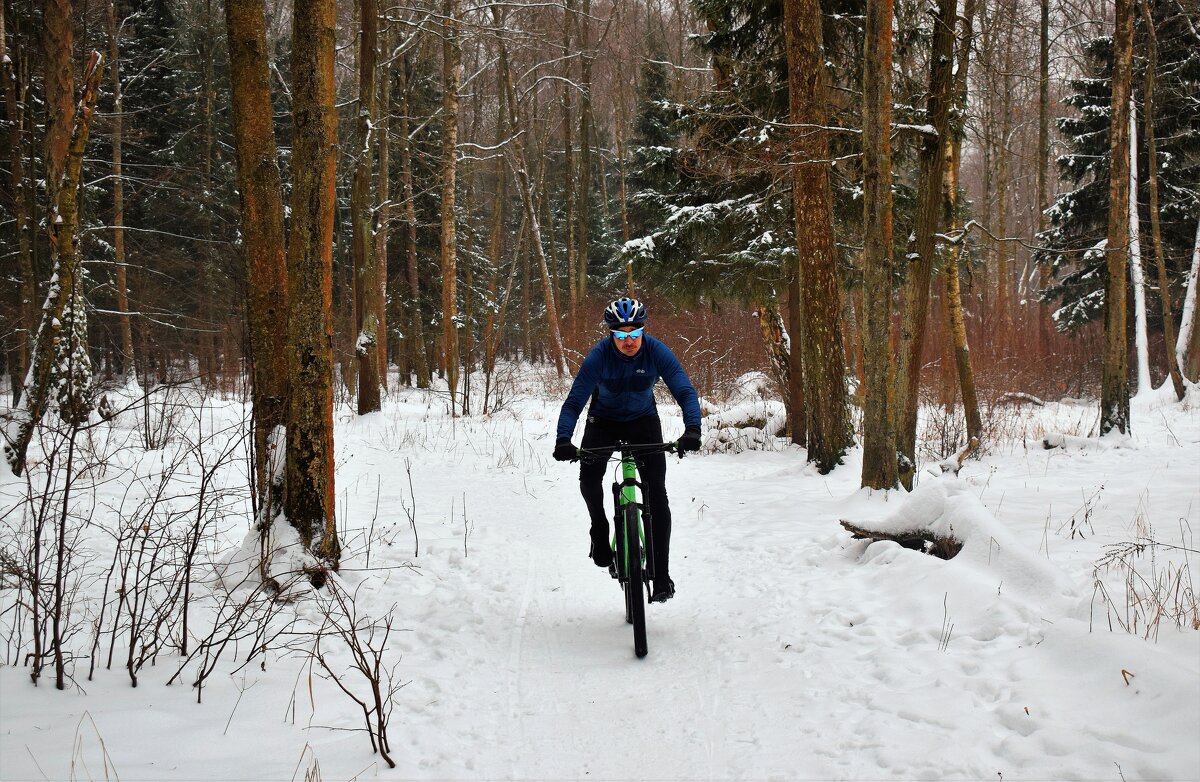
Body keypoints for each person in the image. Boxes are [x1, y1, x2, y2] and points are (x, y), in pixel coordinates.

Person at [553, 297, 702, 603]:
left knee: (656, 494)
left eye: (635, 333)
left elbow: (683, 389)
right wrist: (563, 439)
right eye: (621, 335)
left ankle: (662, 575)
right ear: (611, 335)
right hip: (603, 421)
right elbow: (575, 401)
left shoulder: (656, 351)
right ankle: (599, 527)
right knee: (589, 480)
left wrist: (693, 429)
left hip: (642, 421)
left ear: (644, 331)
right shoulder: (599, 357)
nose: (629, 341)